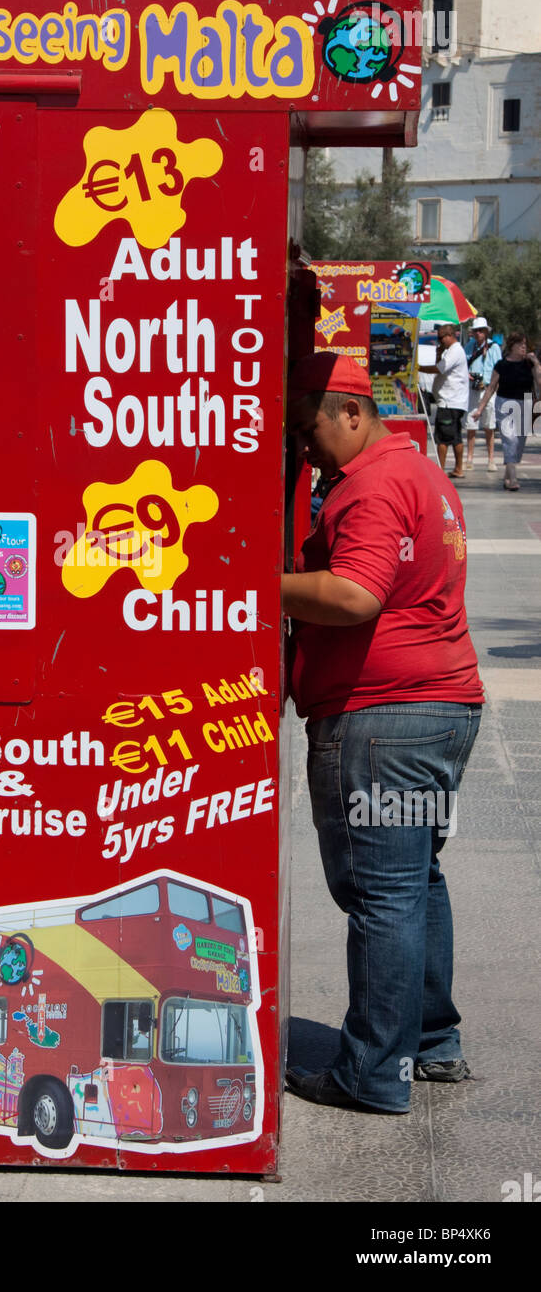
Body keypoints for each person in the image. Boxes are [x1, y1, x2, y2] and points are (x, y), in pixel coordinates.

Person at [282, 352, 483, 1114]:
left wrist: (252, 586)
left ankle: (371, 1072)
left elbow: (355, 595)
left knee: (382, 892)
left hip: (383, 720)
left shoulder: (368, 486)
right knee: (415, 882)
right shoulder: (420, 471)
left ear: (352, 413)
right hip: (438, 708)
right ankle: (430, 1046)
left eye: (309, 431)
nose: (304, 449)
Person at [472, 331, 541, 491]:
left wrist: (536, 363)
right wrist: (480, 409)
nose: (524, 348)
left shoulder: (529, 364)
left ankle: (507, 475)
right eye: (520, 345)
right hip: (505, 405)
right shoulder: (501, 365)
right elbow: (490, 389)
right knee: (510, 440)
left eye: (525, 345)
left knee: (519, 444)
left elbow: (539, 382)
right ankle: (513, 478)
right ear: (512, 346)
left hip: (526, 403)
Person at [431, 323, 469, 478]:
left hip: (449, 401)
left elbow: (439, 369)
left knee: (443, 438)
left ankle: (441, 469)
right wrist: (439, 353)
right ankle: (458, 468)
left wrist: (417, 368)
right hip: (452, 401)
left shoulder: (455, 351)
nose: (440, 341)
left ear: (449, 336)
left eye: (441, 338)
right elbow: (440, 365)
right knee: (455, 436)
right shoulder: (450, 351)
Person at [465, 316, 500, 472]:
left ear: (486, 332)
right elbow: (463, 364)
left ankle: (491, 459)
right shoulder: (469, 346)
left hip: (488, 390)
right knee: (470, 425)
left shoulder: (494, 348)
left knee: (489, 426)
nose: (478, 333)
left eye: (481, 330)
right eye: (476, 331)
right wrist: (467, 374)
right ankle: (469, 458)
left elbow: (499, 370)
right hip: (473, 389)